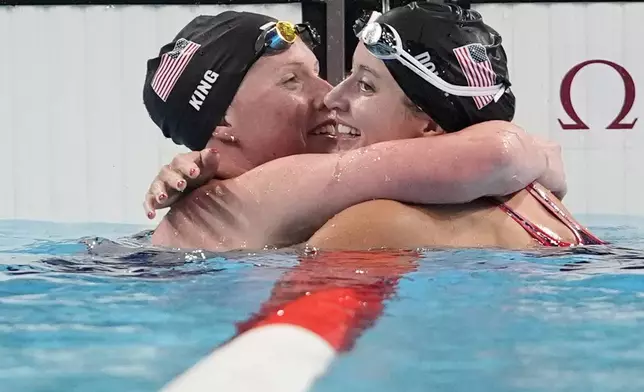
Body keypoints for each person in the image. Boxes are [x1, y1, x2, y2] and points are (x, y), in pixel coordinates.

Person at [141, 9, 568, 252]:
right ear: (220, 123)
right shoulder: (263, 192)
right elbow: (500, 154)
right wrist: (546, 159)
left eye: (316, 72)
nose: (328, 95)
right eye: (292, 81)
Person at [304, 3, 605, 249]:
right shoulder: (537, 201)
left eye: (366, 85)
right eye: (349, 75)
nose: (333, 97)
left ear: (431, 125)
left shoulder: (379, 224)